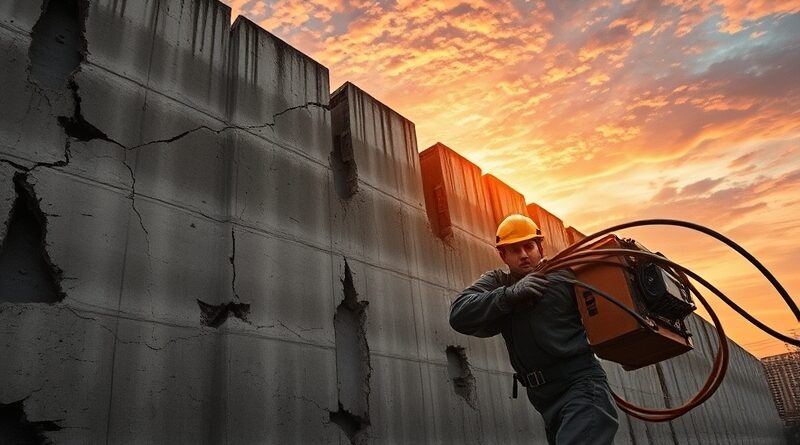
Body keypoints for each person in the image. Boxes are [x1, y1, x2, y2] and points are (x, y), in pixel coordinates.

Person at [449, 214, 618, 444]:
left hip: (582, 387)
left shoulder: (565, 275)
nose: (524, 255)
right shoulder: (499, 283)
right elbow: (459, 314)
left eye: (529, 246)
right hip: (544, 399)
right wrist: (510, 296)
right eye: (514, 250)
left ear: (540, 246)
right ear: (503, 255)